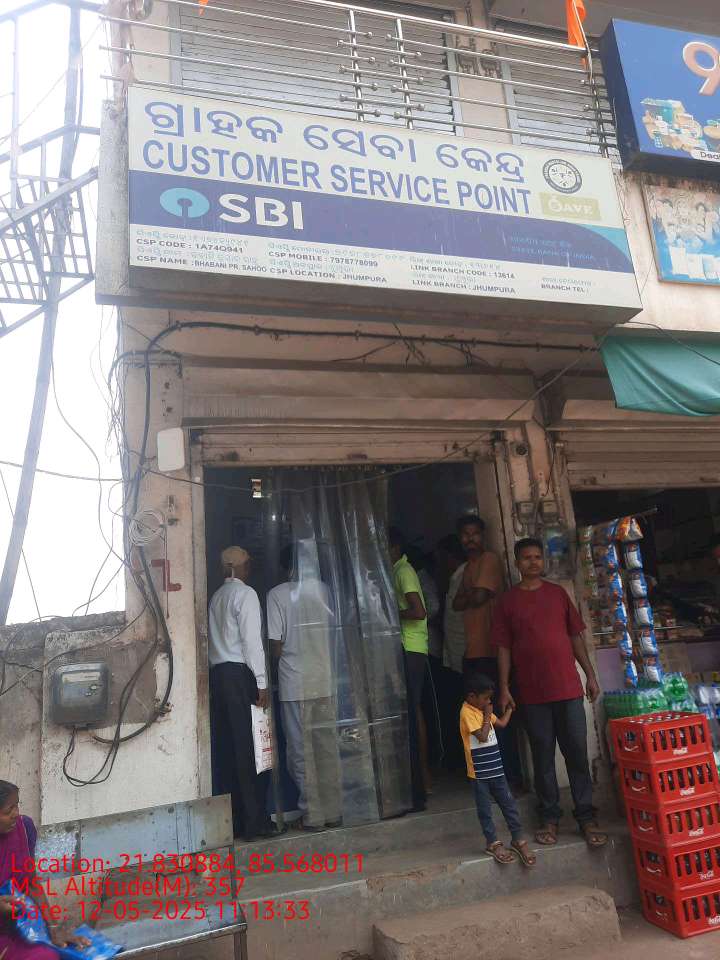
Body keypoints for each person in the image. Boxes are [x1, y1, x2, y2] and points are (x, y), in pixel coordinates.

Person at [492, 537, 607, 849]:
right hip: (531, 694)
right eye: (526, 558)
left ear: (543, 561)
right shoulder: (507, 602)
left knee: (577, 754)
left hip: (568, 689)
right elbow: (503, 648)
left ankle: (586, 817)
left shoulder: (557, 594)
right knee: (542, 758)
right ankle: (550, 818)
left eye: (537, 557)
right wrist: (504, 687)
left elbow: (575, 637)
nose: (533, 562)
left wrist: (590, 675)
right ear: (517, 563)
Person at [267, 544, 342, 831]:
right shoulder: (325, 590)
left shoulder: (277, 595)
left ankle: (313, 814)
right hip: (324, 680)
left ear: (285, 567)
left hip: (295, 683)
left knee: (300, 751)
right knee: (326, 748)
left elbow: (276, 645)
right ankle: (333, 811)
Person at [453, 515, 522, 790]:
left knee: (497, 718)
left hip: (491, 653)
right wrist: (471, 594)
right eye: (465, 534)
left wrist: (470, 595)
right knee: (478, 721)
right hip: (474, 652)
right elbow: (457, 603)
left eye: (475, 533)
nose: (470, 539)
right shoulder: (468, 567)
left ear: (483, 536)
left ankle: (511, 779)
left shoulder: (489, 560)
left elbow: (477, 597)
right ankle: (492, 779)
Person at [208, 546, 271, 842]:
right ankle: (255, 822)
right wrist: (261, 682)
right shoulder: (245, 595)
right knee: (251, 750)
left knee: (230, 749)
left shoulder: (216, 597)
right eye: (247, 563)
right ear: (240, 567)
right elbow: (251, 642)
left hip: (219, 676)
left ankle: (235, 821)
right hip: (240, 675)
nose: (250, 567)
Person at [0, 780, 89, 959]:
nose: (16, 814)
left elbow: (31, 883)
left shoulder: (23, 828)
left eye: (17, 806)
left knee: (55, 954)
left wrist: (53, 928)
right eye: (8, 810)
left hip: (22, 927)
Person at [459, 675, 535, 867]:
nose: (488, 702)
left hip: (497, 770)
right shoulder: (467, 712)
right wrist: (487, 715)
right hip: (479, 774)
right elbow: (483, 737)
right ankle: (492, 842)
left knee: (509, 805)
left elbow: (500, 724)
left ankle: (518, 838)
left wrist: (509, 710)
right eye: (485, 698)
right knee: (485, 810)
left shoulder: (481, 709)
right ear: (472, 696)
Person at [389, 527, 429, 810]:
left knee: (411, 711)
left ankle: (422, 778)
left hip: (412, 646)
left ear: (393, 547)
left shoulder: (403, 571)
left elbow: (418, 611)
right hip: (408, 646)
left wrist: (390, 614)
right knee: (410, 710)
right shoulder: (395, 570)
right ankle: (420, 778)